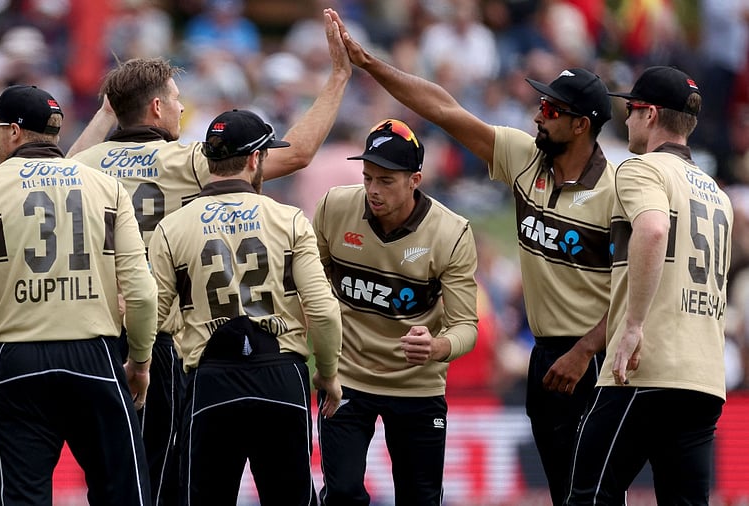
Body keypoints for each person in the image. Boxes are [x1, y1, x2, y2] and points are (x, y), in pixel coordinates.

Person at [326, 8, 615, 505]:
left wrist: (587, 349)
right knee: (564, 491)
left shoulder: (618, 190)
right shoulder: (527, 158)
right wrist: (372, 65)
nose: (536, 114)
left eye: (550, 110)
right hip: (546, 352)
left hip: (594, 352)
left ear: (581, 125)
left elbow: (640, 286)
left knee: (596, 491)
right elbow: (444, 109)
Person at [68, 10, 350, 505]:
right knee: (169, 472)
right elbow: (299, 152)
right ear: (156, 108)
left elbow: (67, 166)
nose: (183, 108)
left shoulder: (82, 165)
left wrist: (109, 109)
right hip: (163, 332)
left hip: (97, 330)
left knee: (113, 474)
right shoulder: (192, 161)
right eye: (176, 100)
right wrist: (339, 77)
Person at [0, 84, 158, 505]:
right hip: (95, 356)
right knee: (124, 494)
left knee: (24, 498)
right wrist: (140, 361)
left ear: (14, 132)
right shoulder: (107, 187)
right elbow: (141, 292)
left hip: (18, 363)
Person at [146, 109, 343, 505]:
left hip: (210, 379)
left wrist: (140, 362)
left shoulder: (174, 226)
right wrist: (327, 373)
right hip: (280, 376)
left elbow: (156, 316)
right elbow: (322, 310)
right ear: (255, 159)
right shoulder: (288, 219)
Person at [566, 66, 732, 505]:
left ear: (651, 114)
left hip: (645, 366)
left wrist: (634, 324)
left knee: (588, 494)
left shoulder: (641, 170)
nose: (626, 119)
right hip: (703, 377)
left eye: (632, 109)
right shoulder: (718, 193)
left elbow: (654, 229)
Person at [312, 117, 478, 504]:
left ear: (415, 180)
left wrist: (437, 347)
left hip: (417, 385)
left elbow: (466, 325)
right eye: (368, 177)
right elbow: (308, 285)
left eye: (386, 181)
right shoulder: (335, 207)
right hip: (347, 379)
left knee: (420, 498)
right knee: (342, 493)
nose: (372, 189)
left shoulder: (451, 233)